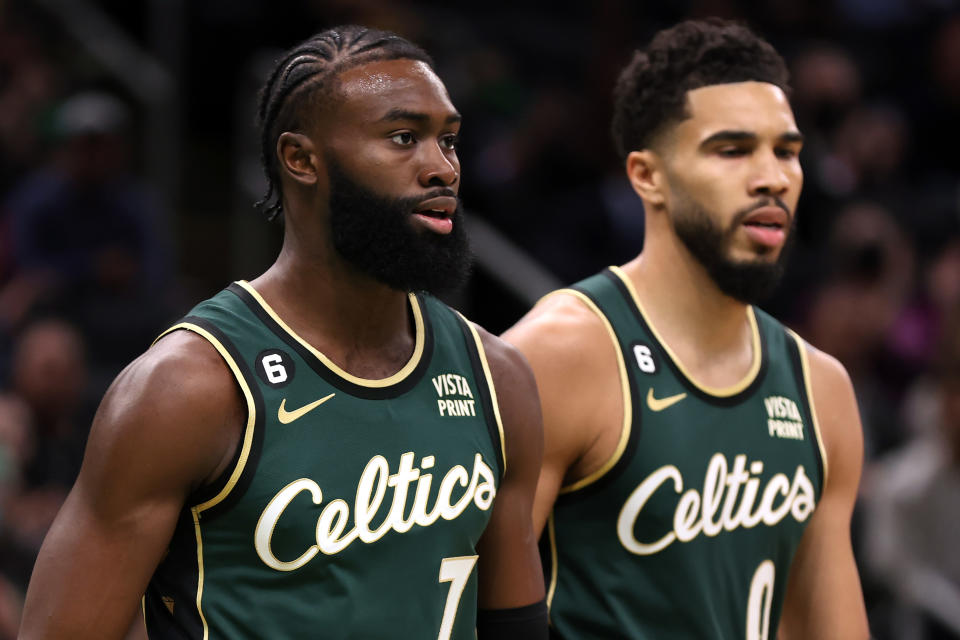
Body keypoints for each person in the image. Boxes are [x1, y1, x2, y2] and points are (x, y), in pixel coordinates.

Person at [19, 26, 547, 639]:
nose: (441, 169)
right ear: (301, 160)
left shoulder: (497, 378)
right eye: (404, 138)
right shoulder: (189, 387)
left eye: (448, 141)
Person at [503, 19, 869, 639]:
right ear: (648, 176)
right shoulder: (559, 353)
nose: (772, 178)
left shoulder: (821, 390)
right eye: (732, 150)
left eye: (786, 151)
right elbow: (458, 608)